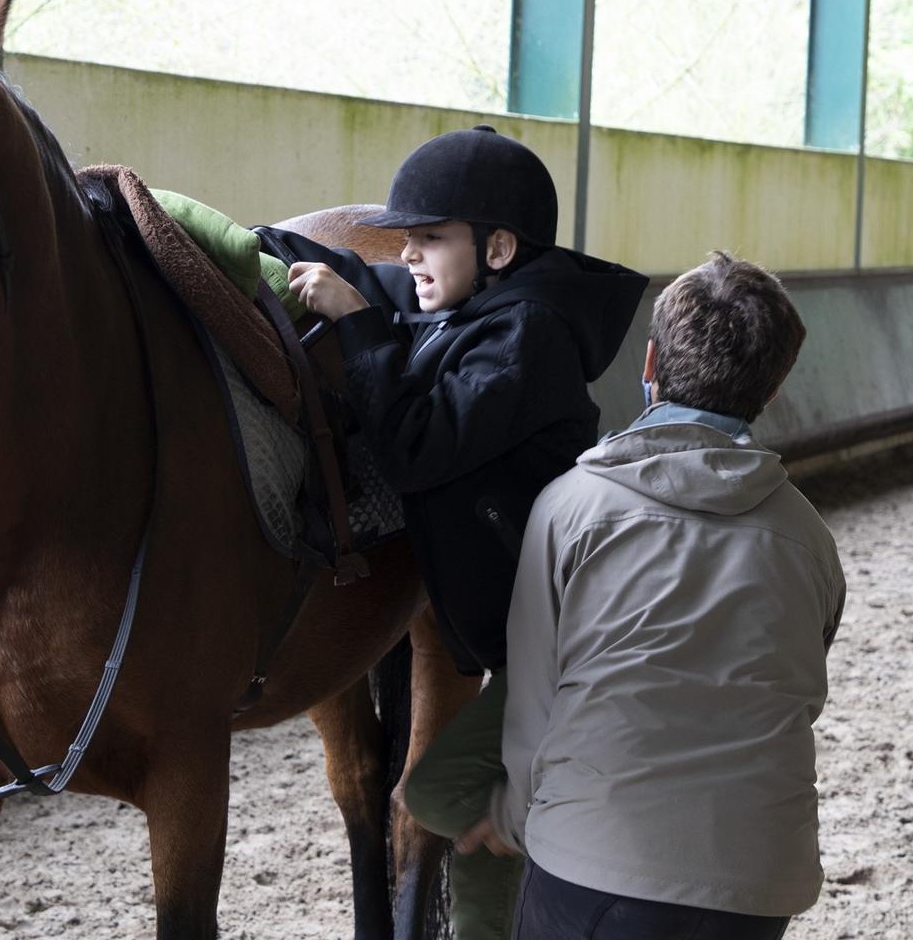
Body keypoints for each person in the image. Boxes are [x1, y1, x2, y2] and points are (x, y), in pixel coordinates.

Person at [260, 125, 647, 938]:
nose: (410, 256)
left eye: (429, 239)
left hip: (552, 639)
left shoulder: (527, 336)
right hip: (514, 631)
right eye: (407, 239)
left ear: (498, 247)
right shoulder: (483, 304)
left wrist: (360, 326)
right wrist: (260, 246)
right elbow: (384, 285)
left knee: (473, 817)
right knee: (445, 802)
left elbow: (417, 448)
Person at [460, 251, 846, 939]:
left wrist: (514, 812)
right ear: (775, 386)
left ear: (648, 365)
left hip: (596, 864)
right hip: (760, 880)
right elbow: (799, 689)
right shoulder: (807, 535)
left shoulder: (569, 507)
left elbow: (534, 697)